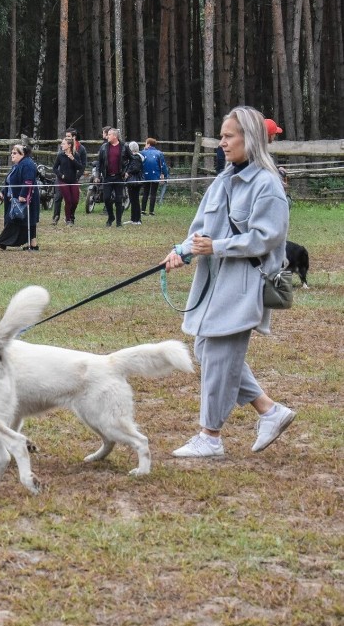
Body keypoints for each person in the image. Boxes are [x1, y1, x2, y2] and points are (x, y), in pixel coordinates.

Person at [163, 105, 294, 460]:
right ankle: (269, 410)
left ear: (248, 139)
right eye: (221, 136)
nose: (221, 142)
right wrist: (182, 250)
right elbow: (200, 227)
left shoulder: (267, 185)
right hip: (212, 283)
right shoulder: (222, 180)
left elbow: (267, 238)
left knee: (220, 356)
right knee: (209, 351)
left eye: (227, 136)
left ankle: (211, 436)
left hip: (242, 285)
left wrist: (218, 246)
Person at [0, 144, 40, 251]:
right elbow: (9, 180)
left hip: (25, 198)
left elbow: (28, 181)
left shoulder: (27, 164)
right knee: (14, 220)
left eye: (15, 153)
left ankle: (4, 241)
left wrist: (23, 195)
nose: (12, 155)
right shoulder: (17, 165)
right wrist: (3, 192)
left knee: (24, 220)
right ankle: (6, 241)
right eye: (11, 152)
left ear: (22, 154)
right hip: (13, 198)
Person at [96, 128, 131, 227]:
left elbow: (132, 160)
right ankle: (111, 216)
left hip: (119, 177)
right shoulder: (104, 147)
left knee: (118, 200)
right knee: (106, 198)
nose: (107, 136)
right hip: (107, 177)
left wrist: (127, 171)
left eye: (110, 134)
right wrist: (97, 175)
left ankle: (118, 222)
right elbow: (100, 162)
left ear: (115, 136)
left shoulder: (124, 146)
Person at [52, 136, 83, 226]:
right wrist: (60, 175)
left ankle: (71, 215)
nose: (62, 145)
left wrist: (72, 159)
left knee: (75, 201)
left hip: (73, 180)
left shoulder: (75, 154)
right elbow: (54, 168)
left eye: (63, 144)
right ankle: (68, 219)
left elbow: (80, 167)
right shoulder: (60, 155)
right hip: (63, 181)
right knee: (68, 200)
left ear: (69, 145)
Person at [141, 137, 168, 215]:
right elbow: (163, 165)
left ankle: (143, 210)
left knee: (145, 192)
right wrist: (165, 175)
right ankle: (151, 211)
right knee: (153, 193)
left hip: (145, 176)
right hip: (155, 175)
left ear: (148, 144)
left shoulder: (142, 153)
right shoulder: (159, 153)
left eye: (146, 143)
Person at [124, 141, 144, 225]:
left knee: (135, 200)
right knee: (132, 200)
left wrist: (127, 172)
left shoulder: (136, 157)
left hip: (134, 181)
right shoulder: (134, 157)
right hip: (132, 180)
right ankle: (133, 219)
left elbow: (135, 168)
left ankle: (137, 219)